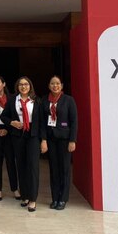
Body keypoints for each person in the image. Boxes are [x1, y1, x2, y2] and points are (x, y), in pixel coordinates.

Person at [0, 76, 47, 212]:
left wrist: (43, 140)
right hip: (18, 136)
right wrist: (12, 122)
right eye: (20, 85)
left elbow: (43, 123)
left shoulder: (37, 101)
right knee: (21, 166)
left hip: (33, 136)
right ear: (17, 87)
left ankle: (33, 199)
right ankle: (25, 196)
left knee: (33, 166)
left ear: (30, 86)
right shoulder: (13, 100)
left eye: (26, 84)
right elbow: (4, 116)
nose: (23, 87)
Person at [41, 75, 78, 210]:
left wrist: (72, 140)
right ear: (49, 86)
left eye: (57, 83)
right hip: (51, 140)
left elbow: (74, 122)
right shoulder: (45, 101)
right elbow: (42, 123)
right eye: (52, 83)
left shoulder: (68, 100)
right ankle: (55, 197)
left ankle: (63, 199)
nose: (55, 86)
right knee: (54, 170)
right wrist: (44, 140)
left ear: (61, 86)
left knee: (64, 170)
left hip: (65, 140)